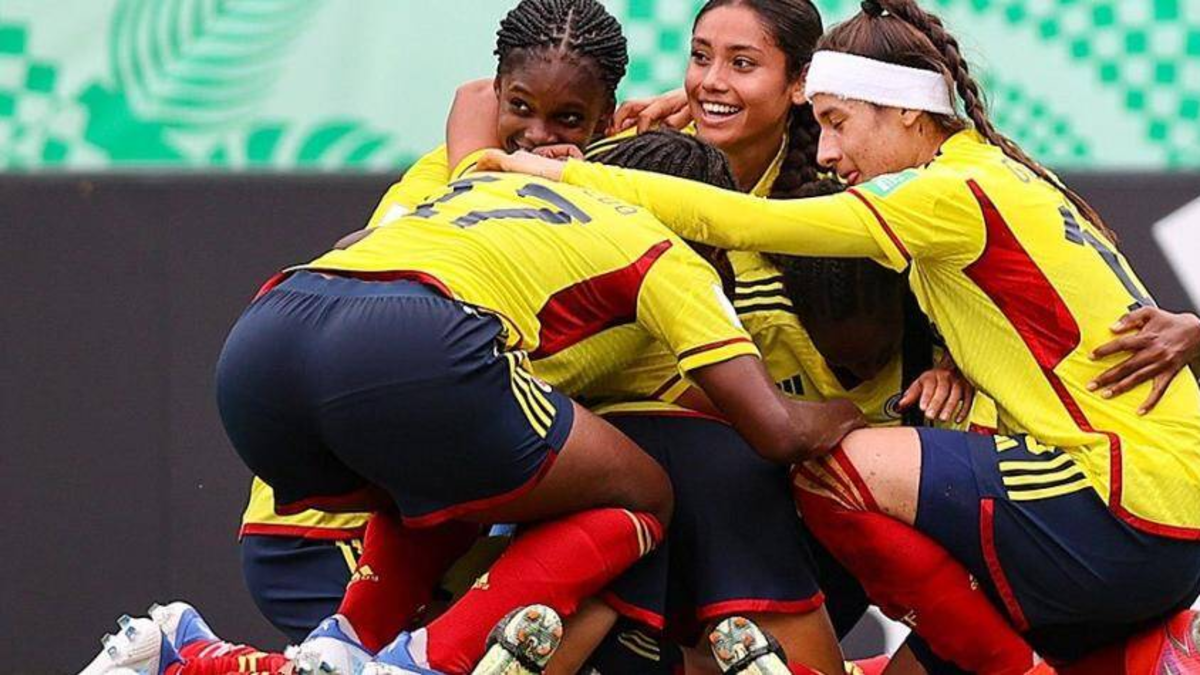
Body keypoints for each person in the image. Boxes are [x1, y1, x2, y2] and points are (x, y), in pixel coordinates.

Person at [479, 0, 1200, 671]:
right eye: (817, 123)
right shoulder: (988, 173)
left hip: (1121, 506)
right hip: (1162, 513)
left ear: (908, 112)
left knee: (835, 472)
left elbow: (742, 221)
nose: (825, 151)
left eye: (838, 122)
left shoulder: (945, 195)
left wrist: (558, 174)